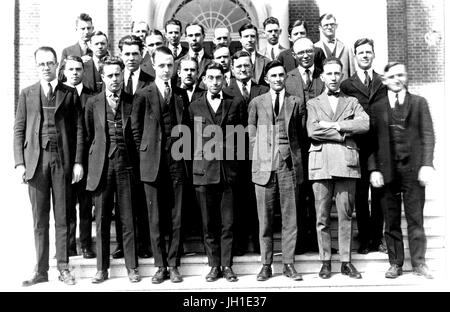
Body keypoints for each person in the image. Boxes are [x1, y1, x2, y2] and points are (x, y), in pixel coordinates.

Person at [15, 46, 84, 286]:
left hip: (62, 161)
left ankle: (64, 267)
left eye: (50, 63)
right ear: (37, 66)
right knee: (39, 219)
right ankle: (41, 270)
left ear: (57, 65)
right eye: (42, 64)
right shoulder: (27, 93)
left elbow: (78, 130)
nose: (46, 67)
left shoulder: (69, 93)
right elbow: (19, 129)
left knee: (64, 215)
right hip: (36, 162)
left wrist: (77, 162)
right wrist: (19, 164)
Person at [369, 62, 435, 279]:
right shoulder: (377, 107)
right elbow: (371, 143)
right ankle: (395, 263)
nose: (397, 79)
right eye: (392, 76)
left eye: (401, 75)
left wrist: (426, 164)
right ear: (384, 80)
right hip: (387, 171)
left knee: (416, 218)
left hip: (413, 169)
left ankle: (419, 263)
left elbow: (428, 135)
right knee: (391, 219)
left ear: (406, 77)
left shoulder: (419, 103)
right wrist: (374, 170)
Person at [306, 57, 369, 279]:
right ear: (322, 77)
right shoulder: (313, 103)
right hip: (321, 164)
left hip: (346, 164)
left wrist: (335, 125)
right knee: (321, 217)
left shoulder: (351, 102)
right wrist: (344, 135)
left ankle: (345, 261)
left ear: (341, 76)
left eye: (337, 74)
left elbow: (364, 123)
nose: (333, 78)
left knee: (345, 215)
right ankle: (325, 261)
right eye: (329, 74)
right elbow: (313, 131)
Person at [131, 46, 190, 284]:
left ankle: (174, 264)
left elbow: (185, 127)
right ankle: (160, 264)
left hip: (176, 161)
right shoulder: (143, 94)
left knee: (177, 215)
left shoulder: (180, 94)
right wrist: (146, 154)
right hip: (152, 162)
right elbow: (136, 130)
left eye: (170, 65)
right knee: (154, 216)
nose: (166, 70)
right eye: (162, 65)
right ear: (154, 66)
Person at [85, 56, 141, 284]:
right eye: (109, 75)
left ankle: (132, 267)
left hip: (126, 165)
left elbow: (136, 134)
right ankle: (101, 268)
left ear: (122, 75)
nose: (114, 79)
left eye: (117, 74)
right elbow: (89, 136)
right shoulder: (93, 103)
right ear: (102, 77)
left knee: (128, 218)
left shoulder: (132, 101)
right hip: (102, 166)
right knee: (102, 219)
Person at [248, 60, 305, 282]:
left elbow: (300, 133)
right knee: (265, 219)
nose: (278, 79)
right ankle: (266, 264)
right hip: (264, 167)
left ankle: (289, 264)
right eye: (274, 76)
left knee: (290, 218)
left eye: (281, 75)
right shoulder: (256, 102)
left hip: (289, 166)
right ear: (266, 79)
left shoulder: (296, 102)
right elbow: (251, 134)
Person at [189, 62, 244, 282]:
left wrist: (236, 167)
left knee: (228, 223)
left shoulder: (235, 103)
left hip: (228, 173)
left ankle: (227, 265)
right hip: (203, 173)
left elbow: (242, 138)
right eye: (210, 78)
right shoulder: (194, 106)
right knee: (209, 223)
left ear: (224, 80)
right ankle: (213, 265)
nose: (214, 82)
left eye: (218, 78)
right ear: (203, 80)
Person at [341, 38, 387, 255]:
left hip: (379, 146)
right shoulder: (347, 85)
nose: (365, 56)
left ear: (373, 55)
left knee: (379, 195)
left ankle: (378, 237)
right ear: (355, 56)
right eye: (361, 53)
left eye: (368, 52)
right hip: (357, 147)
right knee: (360, 197)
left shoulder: (383, 81)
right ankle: (365, 238)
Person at [224, 51, 268, 256]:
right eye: (239, 66)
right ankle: (239, 244)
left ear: (252, 68)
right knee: (238, 201)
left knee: (259, 200)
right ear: (233, 69)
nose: (243, 69)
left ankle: (261, 245)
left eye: (246, 66)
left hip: (260, 154)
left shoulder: (263, 90)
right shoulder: (225, 91)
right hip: (235, 157)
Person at [285, 37, 325, 254]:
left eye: (309, 51)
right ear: (294, 55)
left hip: (321, 145)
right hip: (297, 147)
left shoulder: (323, 76)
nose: (306, 55)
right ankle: (300, 241)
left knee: (319, 194)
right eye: (301, 52)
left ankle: (320, 242)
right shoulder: (287, 79)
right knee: (299, 195)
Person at [116, 34, 154, 259]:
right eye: (126, 54)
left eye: (135, 54)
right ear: (121, 55)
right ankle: (122, 244)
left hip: (144, 149)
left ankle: (143, 244)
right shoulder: (113, 78)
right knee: (121, 200)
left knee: (143, 198)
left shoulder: (150, 81)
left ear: (142, 55)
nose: (130, 58)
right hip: (120, 149)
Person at [63, 55, 96, 259]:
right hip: (65, 157)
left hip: (88, 158)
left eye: (78, 69)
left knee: (85, 204)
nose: (75, 73)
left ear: (84, 71)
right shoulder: (59, 94)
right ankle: (68, 245)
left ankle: (85, 244)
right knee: (66, 203)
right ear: (64, 72)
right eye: (71, 69)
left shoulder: (93, 96)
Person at [314, 14, 354, 80]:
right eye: (326, 25)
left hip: (343, 88)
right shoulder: (314, 48)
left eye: (332, 24)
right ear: (320, 28)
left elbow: (352, 75)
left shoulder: (346, 48)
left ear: (336, 26)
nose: (329, 27)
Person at [58, 13, 94, 80]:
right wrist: (77, 63)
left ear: (92, 29)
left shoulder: (99, 50)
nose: (86, 32)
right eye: (83, 29)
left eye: (88, 28)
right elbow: (60, 77)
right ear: (76, 29)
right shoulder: (67, 51)